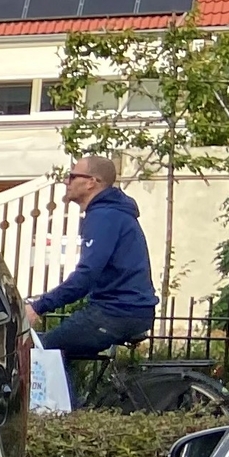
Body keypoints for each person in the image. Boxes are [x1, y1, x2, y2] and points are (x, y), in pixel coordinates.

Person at [33, 156, 156, 393]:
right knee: (62, 346)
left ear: (91, 182)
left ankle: (64, 418)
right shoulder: (112, 213)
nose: (66, 182)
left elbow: (86, 276)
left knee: (43, 349)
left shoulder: (104, 216)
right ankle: (74, 406)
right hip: (128, 310)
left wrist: (38, 306)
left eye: (72, 176)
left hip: (115, 312)